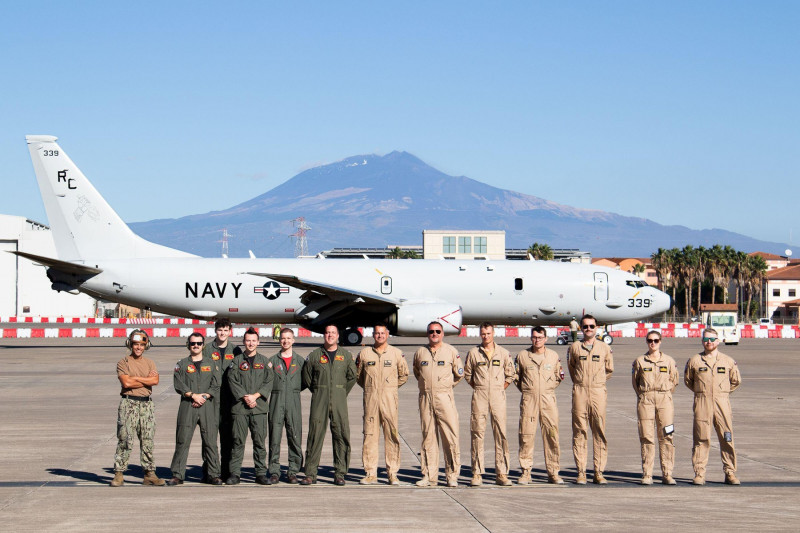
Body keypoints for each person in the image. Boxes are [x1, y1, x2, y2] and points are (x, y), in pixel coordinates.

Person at [300, 324, 357, 485]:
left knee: (341, 434)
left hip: (339, 399)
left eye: (333, 333)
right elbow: (307, 378)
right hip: (320, 398)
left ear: (338, 335)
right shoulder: (315, 355)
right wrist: (319, 390)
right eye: (327, 333)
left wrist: (340, 391)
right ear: (323, 335)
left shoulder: (346, 355)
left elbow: (352, 377)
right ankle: (310, 473)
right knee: (315, 435)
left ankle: (340, 473)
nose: (330, 335)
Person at [684, 328, 742, 485]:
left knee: (727, 438)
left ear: (718, 341)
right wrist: (702, 392)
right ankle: (699, 473)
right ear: (702, 341)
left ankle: (730, 472)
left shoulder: (728, 361)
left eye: (712, 339)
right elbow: (688, 381)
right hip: (702, 402)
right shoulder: (694, 361)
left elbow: (736, 381)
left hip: (722, 403)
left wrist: (722, 393)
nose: (709, 342)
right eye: (706, 339)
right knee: (701, 438)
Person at [110, 329, 165, 487]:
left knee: (147, 439)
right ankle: (119, 473)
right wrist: (146, 380)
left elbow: (155, 381)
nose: (139, 347)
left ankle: (149, 473)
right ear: (130, 344)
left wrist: (136, 379)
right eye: (135, 344)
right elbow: (126, 383)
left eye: (142, 344)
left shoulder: (150, 363)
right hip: (129, 403)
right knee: (125, 438)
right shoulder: (123, 362)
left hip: (146, 404)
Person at [356, 323, 409, 485]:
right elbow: (359, 377)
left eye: (382, 333)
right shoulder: (365, 354)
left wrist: (390, 388)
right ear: (373, 335)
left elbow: (403, 375)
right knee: (370, 436)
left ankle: (392, 473)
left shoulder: (396, 354)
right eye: (377, 333)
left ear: (387, 334)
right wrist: (372, 388)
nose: (379, 336)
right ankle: (370, 472)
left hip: (389, 401)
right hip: (371, 400)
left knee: (391, 435)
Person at [463, 322, 516, 486]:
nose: (486, 336)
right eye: (483, 334)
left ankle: (501, 473)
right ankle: (477, 473)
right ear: (480, 335)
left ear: (493, 334)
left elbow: (510, 375)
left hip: (498, 396)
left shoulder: (504, 353)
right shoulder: (473, 353)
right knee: (477, 433)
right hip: (480, 395)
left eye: (488, 333)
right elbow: (468, 375)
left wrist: (500, 388)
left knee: (501, 433)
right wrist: (481, 387)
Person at [413, 321, 464, 487]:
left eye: (437, 331)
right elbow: (417, 372)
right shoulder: (420, 352)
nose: (434, 334)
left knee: (450, 436)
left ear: (442, 334)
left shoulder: (451, 352)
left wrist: (445, 387)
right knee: (428, 437)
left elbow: (459, 374)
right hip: (426, 398)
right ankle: (429, 475)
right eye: (431, 332)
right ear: (427, 334)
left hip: (444, 397)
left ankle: (452, 475)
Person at [167, 332, 223, 486]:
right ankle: (178, 474)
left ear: (203, 345)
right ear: (188, 345)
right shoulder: (182, 364)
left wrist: (204, 396)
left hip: (207, 406)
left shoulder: (211, 364)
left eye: (199, 343)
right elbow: (178, 383)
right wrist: (193, 396)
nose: (196, 346)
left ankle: (213, 474)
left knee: (210, 441)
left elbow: (216, 384)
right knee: (182, 440)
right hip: (188, 405)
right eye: (193, 343)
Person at [514, 326, 564, 484]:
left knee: (552, 435)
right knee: (526, 436)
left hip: (548, 400)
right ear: (531, 338)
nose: (537, 340)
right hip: (529, 400)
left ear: (546, 339)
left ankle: (553, 471)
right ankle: (526, 472)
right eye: (534, 337)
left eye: (540, 337)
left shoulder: (553, 356)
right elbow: (517, 377)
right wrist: (528, 390)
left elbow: (558, 377)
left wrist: (547, 389)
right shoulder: (523, 356)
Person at [567, 314, 613, 484]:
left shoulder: (604, 348)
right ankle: (581, 471)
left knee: (599, 430)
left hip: (598, 392)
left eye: (591, 326)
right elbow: (572, 368)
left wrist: (597, 382)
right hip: (580, 391)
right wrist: (581, 382)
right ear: (580, 328)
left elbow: (609, 370)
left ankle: (599, 472)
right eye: (585, 326)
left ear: (596, 328)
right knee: (579, 431)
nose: (588, 329)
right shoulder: (574, 348)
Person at [226, 327, 274, 485]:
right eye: (248, 340)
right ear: (244, 342)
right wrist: (245, 396)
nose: (251, 343)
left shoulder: (265, 362)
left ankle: (260, 473)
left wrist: (255, 396)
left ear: (258, 342)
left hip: (259, 408)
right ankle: (235, 473)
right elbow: (232, 380)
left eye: (254, 341)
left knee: (259, 441)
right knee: (237, 441)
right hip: (240, 408)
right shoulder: (236, 361)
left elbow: (269, 381)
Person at [631, 330, 679, 485]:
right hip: (646, 400)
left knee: (667, 435)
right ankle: (647, 473)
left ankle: (667, 473)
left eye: (656, 340)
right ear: (646, 341)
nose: (653, 343)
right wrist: (644, 395)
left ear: (661, 341)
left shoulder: (669, 361)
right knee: (646, 437)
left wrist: (664, 393)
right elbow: (635, 382)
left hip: (665, 400)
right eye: (650, 340)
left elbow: (674, 380)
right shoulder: (640, 361)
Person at [267, 328, 306, 484]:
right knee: (274, 437)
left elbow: (305, 381)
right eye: (283, 338)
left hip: (293, 401)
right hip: (276, 401)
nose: (286, 341)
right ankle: (274, 471)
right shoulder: (272, 361)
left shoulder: (300, 361)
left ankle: (293, 471)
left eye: (289, 338)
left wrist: (293, 389)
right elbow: (267, 381)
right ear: (279, 340)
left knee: (295, 436)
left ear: (293, 340)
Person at [203, 318, 237, 481]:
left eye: (225, 330)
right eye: (219, 330)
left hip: (229, 400)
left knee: (228, 437)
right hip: (211, 400)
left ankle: (225, 470)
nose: (222, 333)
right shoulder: (207, 349)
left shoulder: (235, 350)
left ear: (230, 331)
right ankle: (209, 470)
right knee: (209, 438)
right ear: (215, 331)